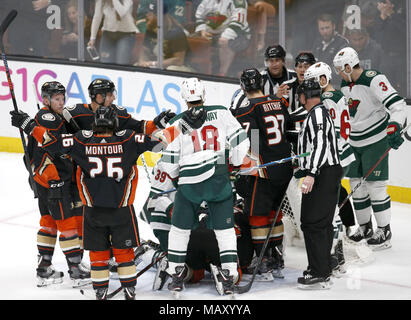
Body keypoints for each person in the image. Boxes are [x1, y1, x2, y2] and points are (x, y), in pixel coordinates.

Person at [10, 102, 207, 299]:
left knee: (98, 255)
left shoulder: (81, 140)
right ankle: (129, 290)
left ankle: (100, 291)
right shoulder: (129, 139)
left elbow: (49, 141)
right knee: (124, 253)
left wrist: (28, 124)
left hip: (93, 212)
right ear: (114, 124)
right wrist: (184, 127)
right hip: (122, 211)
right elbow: (160, 141)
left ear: (94, 124)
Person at [158, 77, 250, 295]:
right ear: (204, 94)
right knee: (225, 230)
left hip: (189, 181)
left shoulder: (178, 123)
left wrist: (177, 175)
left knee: (179, 230)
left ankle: (177, 274)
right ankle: (229, 275)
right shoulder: (222, 111)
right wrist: (235, 162)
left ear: (184, 98)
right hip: (218, 175)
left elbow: (168, 160)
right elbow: (242, 141)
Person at [10, 82, 91, 288]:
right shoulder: (48, 118)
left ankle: (44, 269)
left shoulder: (50, 117)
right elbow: (53, 143)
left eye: (62, 98)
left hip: (41, 181)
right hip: (56, 181)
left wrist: (29, 124)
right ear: (45, 100)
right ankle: (75, 269)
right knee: (67, 224)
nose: (61, 102)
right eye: (56, 98)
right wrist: (28, 124)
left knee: (48, 222)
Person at [333, 46, 407, 249]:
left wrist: (395, 126)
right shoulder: (345, 83)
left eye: (340, 68)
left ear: (348, 66)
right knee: (357, 185)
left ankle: (384, 230)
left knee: (376, 187)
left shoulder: (374, 79)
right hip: (354, 142)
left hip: (376, 140)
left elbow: (398, 106)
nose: (338, 73)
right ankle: (365, 226)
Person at [233, 68, 294, 278]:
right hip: (284, 167)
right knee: (274, 212)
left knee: (257, 214)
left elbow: (253, 140)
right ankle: (277, 256)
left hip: (264, 170)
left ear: (243, 87)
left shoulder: (247, 109)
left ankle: (264, 259)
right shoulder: (279, 102)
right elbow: (287, 130)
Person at [304, 61, 357, 275]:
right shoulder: (339, 95)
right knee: (332, 206)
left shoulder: (326, 100)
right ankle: (336, 255)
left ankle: (335, 256)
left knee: (329, 211)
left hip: (335, 158)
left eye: (313, 82)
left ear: (323, 80)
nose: (310, 87)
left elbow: (325, 134)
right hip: (343, 153)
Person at [296, 78, 342, 289]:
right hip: (327, 173)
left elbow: (321, 145)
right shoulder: (318, 113)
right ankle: (323, 265)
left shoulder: (316, 115)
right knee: (321, 223)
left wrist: (311, 173)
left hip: (323, 173)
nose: (300, 100)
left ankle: (319, 271)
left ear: (304, 96)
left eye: (300, 96)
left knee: (313, 223)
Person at [230, 44, 297, 112]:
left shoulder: (295, 77)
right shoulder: (258, 78)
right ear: (266, 62)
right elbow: (246, 101)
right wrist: (275, 97)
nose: (274, 64)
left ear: (283, 61)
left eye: (277, 60)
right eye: (271, 61)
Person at [195, 0, 251, 76]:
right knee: (193, 40)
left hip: (239, 34)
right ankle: (199, 71)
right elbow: (199, 16)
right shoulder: (206, 1)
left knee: (224, 41)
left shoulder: (238, 1)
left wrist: (224, 36)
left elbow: (238, 23)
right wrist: (202, 30)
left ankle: (222, 73)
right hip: (212, 34)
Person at [136, 2, 193, 72]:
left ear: (159, 16)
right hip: (158, 66)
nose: (147, 16)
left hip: (183, 69)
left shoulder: (176, 32)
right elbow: (144, 50)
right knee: (136, 66)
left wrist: (153, 63)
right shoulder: (151, 29)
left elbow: (178, 61)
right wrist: (142, 61)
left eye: (150, 14)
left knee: (171, 69)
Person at [88, 0, 139, 64]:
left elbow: (121, 12)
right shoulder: (101, 1)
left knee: (121, 64)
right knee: (105, 63)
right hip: (108, 34)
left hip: (126, 35)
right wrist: (92, 38)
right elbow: (97, 17)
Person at [311, 13, 349, 86]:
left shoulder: (342, 42)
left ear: (333, 26)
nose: (325, 31)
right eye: (322, 28)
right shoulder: (317, 43)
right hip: (319, 84)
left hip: (337, 85)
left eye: (327, 28)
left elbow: (339, 70)